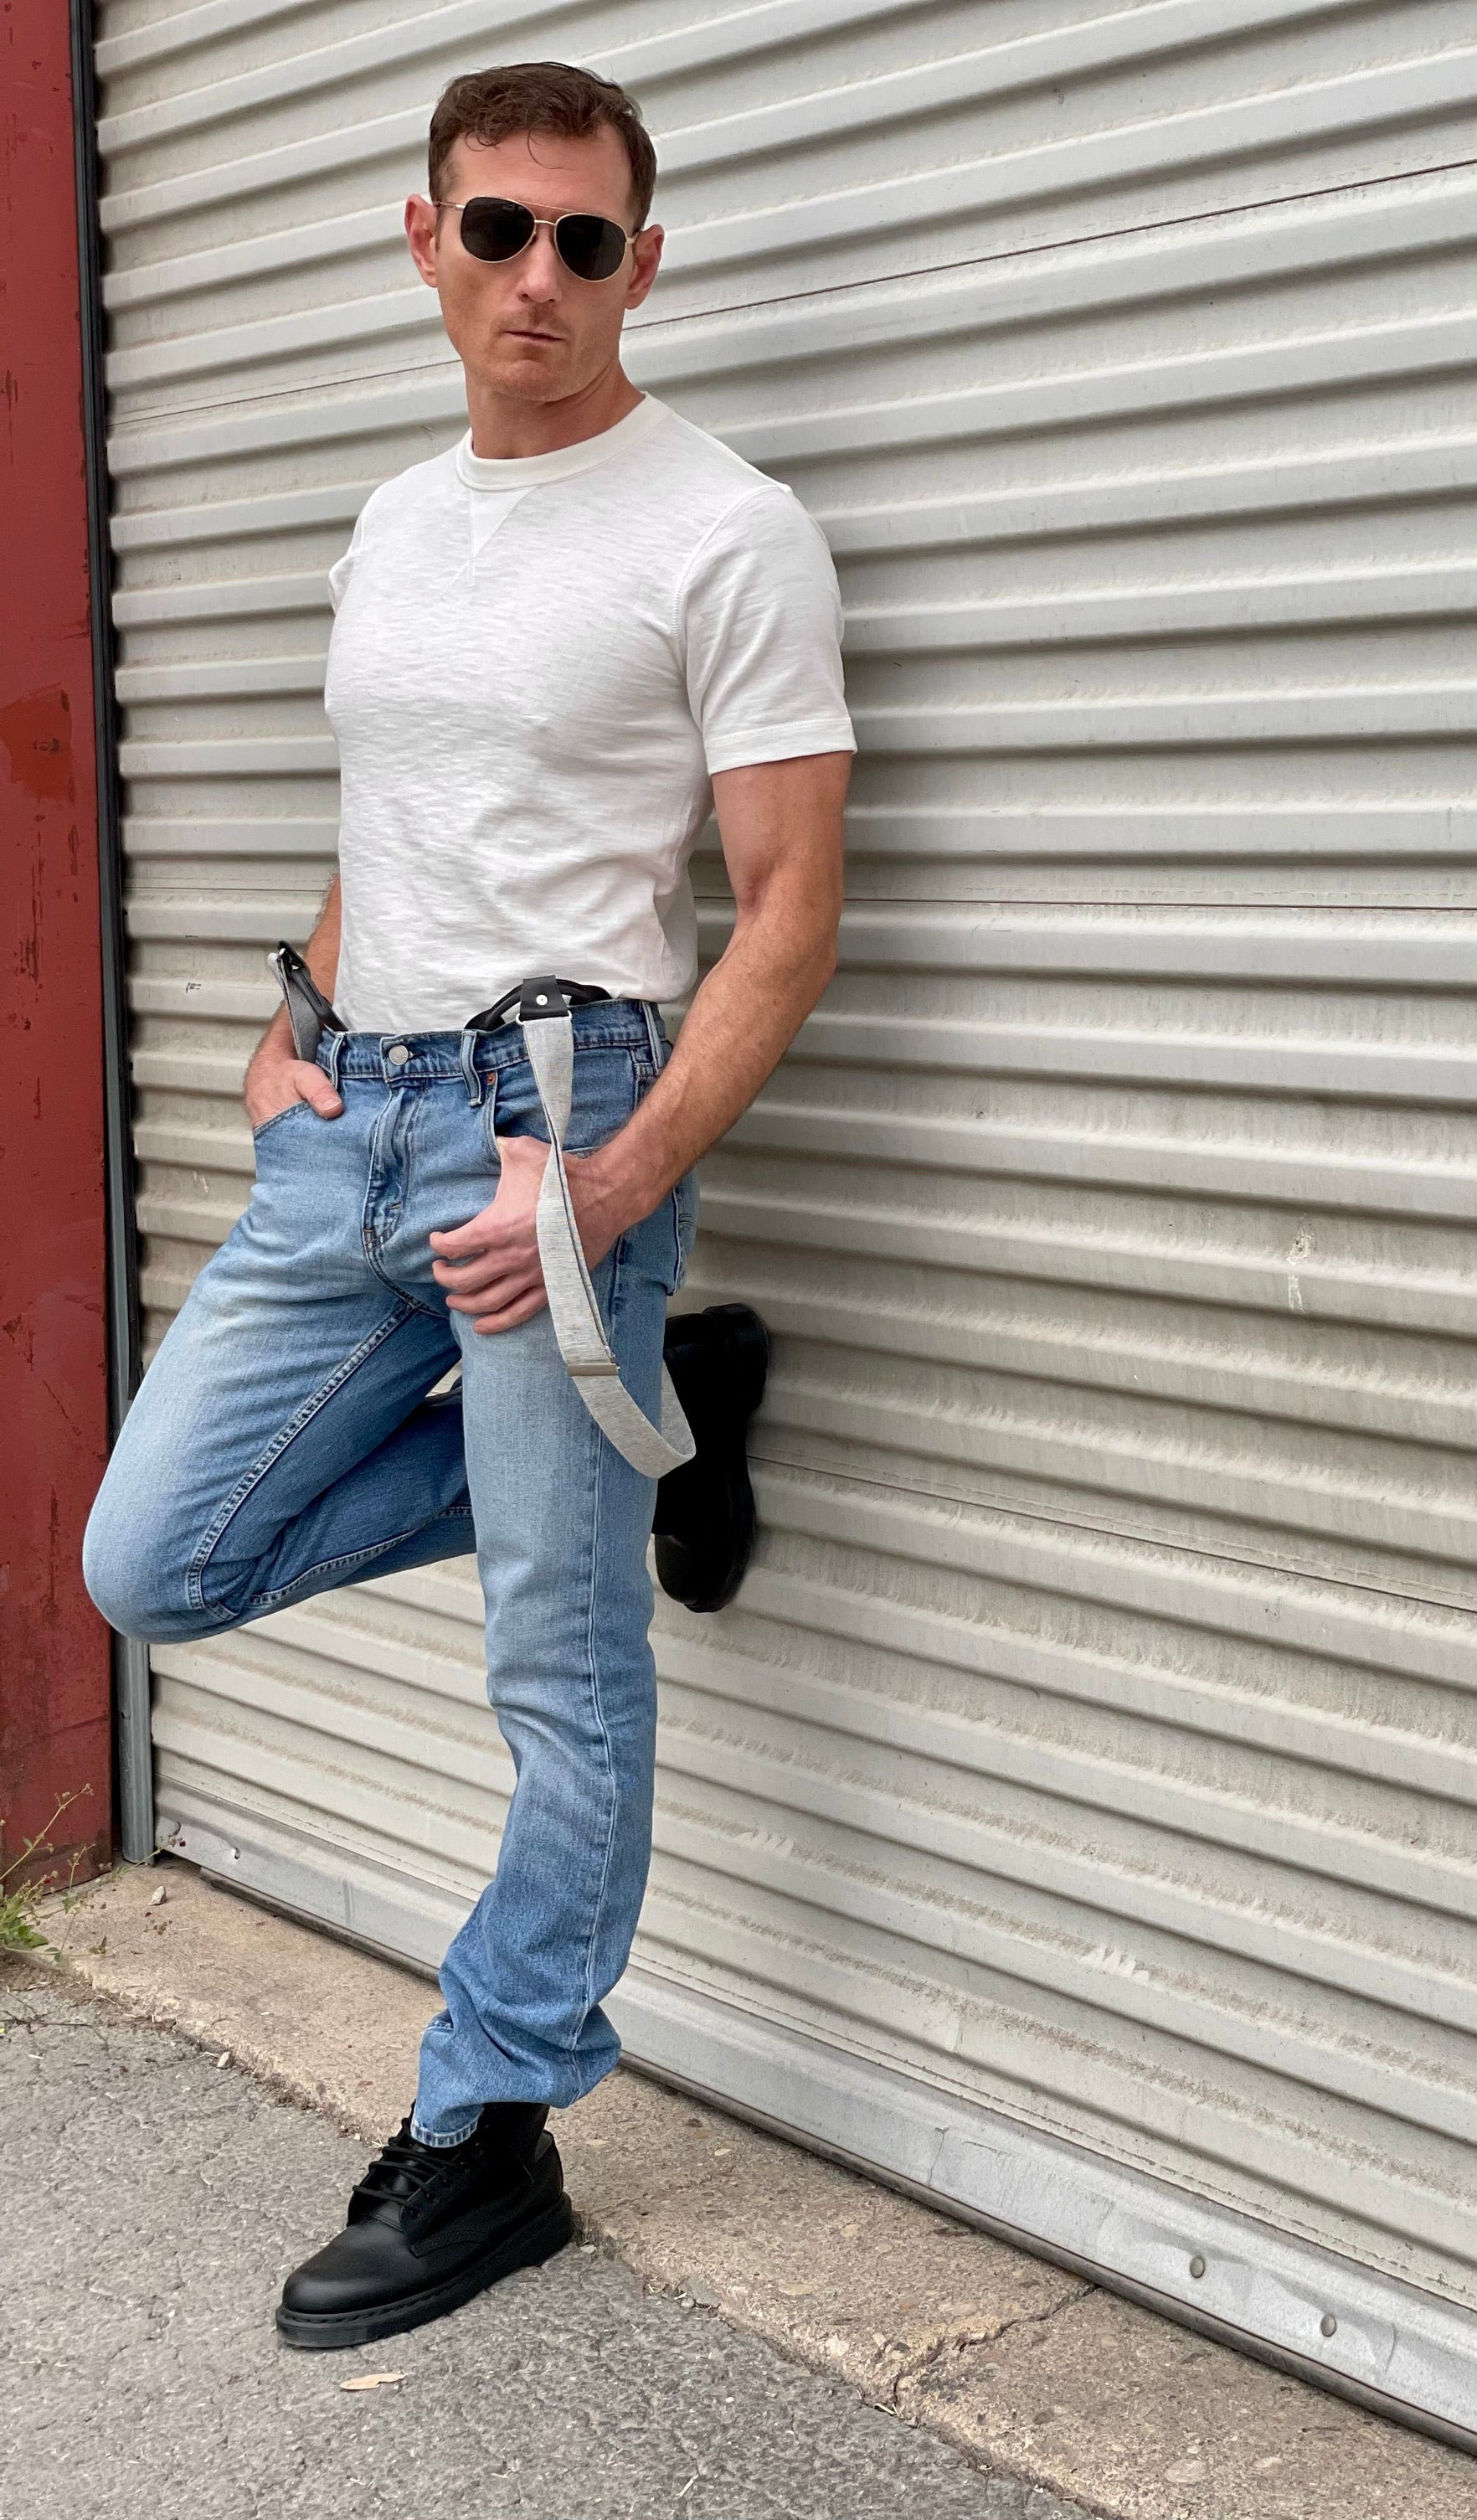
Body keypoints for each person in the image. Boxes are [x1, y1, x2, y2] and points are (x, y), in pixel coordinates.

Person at [80, 57, 854, 2352]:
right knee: (158, 1556)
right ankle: (661, 1443)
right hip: (357, 1117)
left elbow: (790, 909)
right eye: (497, 230)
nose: (538, 276)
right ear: (421, 237)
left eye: (584, 240)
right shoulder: (400, 517)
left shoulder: (722, 527)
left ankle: (496, 2110)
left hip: (557, 1103)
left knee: (558, 1655)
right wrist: (298, 994)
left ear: (642, 260)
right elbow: (395, 798)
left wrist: (613, 1186)